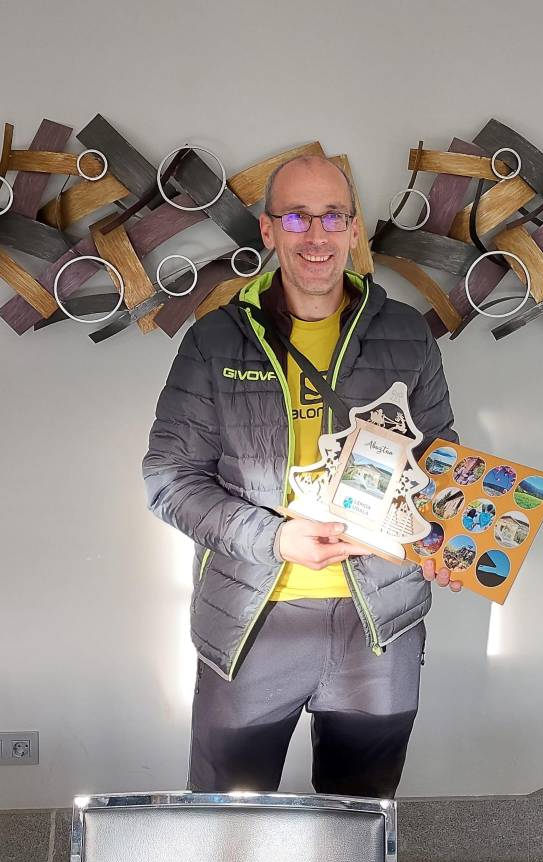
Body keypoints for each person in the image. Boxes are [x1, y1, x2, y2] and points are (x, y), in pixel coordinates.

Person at [143, 155, 459, 799]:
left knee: (359, 823)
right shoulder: (214, 341)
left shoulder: (407, 333)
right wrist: (276, 539)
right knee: (227, 819)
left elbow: (438, 460)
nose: (316, 235)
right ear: (268, 230)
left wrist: (446, 538)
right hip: (253, 618)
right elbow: (169, 479)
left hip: (380, 623)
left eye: (333, 217)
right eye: (296, 217)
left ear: (354, 229)